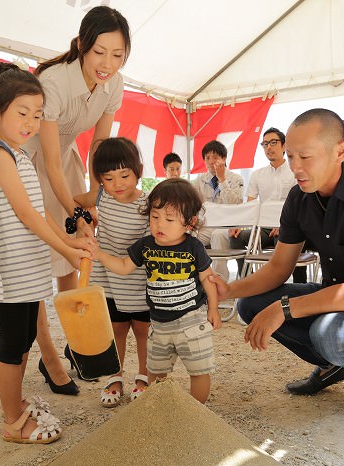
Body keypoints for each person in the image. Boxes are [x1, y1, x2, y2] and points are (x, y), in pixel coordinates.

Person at [211, 108, 344, 429]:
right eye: (291, 155)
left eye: (305, 157)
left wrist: (285, 308)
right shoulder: (299, 197)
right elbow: (279, 268)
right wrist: (228, 289)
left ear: (341, 151)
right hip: (336, 298)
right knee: (251, 304)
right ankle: (335, 363)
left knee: (329, 332)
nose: (295, 167)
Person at [0, 63, 93, 443]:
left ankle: (18, 402)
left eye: (38, 115)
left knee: (23, 342)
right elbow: (24, 214)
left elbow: (40, 214)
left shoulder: (21, 156)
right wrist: (66, 252)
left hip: (27, 271)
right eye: (22, 113)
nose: (31, 123)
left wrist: (72, 242)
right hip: (8, 271)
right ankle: (12, 421)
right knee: (11, 347)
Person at [21, 6, 131, 385]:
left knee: (73, 253)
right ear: (83, 44)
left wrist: (94, 194)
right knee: (37, 258)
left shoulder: (114, 84)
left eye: (118, 55)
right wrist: (76, 208)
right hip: (27, 159)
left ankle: (76, 344)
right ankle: (49, 358)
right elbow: (48, 162)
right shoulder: (53, 81)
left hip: (64, 158)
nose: (108, 63)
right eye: (100, 52)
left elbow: (99, 144)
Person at [92, 178, 221, 403]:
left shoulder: (194, 246)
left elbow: (207, 279)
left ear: (189, 223)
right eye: (155, 217)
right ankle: (160, 409)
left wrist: (214, 309)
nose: (160, 224)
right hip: (159, 324)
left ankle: (198, 412)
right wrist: (100, 254)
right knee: (155, 371)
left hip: (191, 320)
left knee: (198, 369)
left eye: (169, 219)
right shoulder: (146, 245)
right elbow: (123, 267)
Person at [74, 137, 151, 407]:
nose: (117, 184)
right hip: (107, 276)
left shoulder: (149, 204)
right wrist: (84, 223)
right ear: (100, 180)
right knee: (115, 329)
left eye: (124, 175)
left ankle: (143, 377)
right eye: (108, 178)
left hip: (138, 277)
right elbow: (76, 206)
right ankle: (114, 375)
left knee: (143, 329)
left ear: (138, 171)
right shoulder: (100, 197)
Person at [226, 127, 298, 278]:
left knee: (289, 237)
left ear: (284, 146)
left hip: (289, 226)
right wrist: (240, 224)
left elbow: (300, 205)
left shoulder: (295, 171)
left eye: (273, 143)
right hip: (264, 229)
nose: (268, 147)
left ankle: (294, 285)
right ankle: (248, 281)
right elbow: (251, 205)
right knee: (236, 237)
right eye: (265, 144)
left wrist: (283, 225)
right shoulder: (257, 175)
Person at [191, 140, 244, 280]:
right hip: (207, 224)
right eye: (207, 158)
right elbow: (193, 204)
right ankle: (195, 278)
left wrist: (222, 180)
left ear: (224, 158)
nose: (211, 162)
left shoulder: (235, 178)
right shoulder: (200, 180)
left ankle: (219, 280)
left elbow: (236, 203)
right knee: (189, 237)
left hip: (228, 225)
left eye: (215, 157)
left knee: (218, 236)